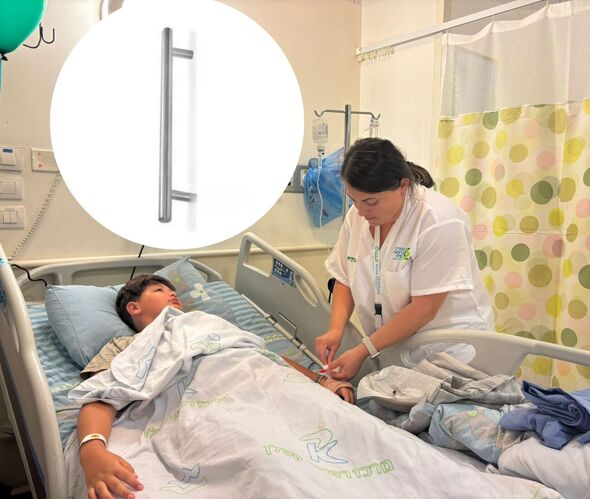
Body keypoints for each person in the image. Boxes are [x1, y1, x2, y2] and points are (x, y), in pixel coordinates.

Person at [76, 274, 354, 499]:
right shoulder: (125, 346)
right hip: (203, 403)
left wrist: (321, 380)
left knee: (344, 431)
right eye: (160, 290)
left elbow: (265, 355)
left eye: (173, 290)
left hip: (258, 380)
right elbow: (102, 394)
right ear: (133, 307)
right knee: (262, 461)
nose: (172, 294)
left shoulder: (208, 324)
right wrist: (92, 452)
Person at [316, 137, 493, 381]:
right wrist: (336, 330)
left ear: (403, 186)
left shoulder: (438, 220)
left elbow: (424, 308)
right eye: (354, 200)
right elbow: (344, 278)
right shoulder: (358, 216)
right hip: (396, 348)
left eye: (371, 202)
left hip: (452, 353)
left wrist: (363, 350)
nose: (361, 211)